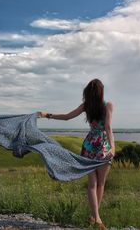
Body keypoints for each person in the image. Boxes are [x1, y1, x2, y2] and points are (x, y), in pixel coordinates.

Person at [38, 78, 115, 230]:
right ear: (101, 91)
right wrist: (112, 147)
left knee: (92, 185)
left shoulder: (86, 105)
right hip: (103, 147)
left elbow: (67, 117)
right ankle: (97, 218)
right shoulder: (108, 105)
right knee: (101, 184)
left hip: (88, 145)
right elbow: (107, 127)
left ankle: (94, 217)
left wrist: (48, 114)